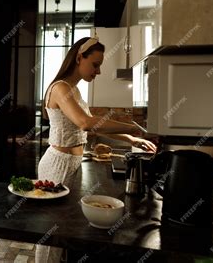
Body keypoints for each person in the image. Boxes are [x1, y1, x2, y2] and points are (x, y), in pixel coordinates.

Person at [36, 37, 156, 263]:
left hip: (70, 164)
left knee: (62, 228)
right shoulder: (61, 87)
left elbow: (91, 126)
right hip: (57, 165)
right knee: (51, 231)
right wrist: (133, 126)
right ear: (79, 58)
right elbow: (85, 122)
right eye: (95, 64)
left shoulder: (74, 90)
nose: (98, 71)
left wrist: (130, 137)